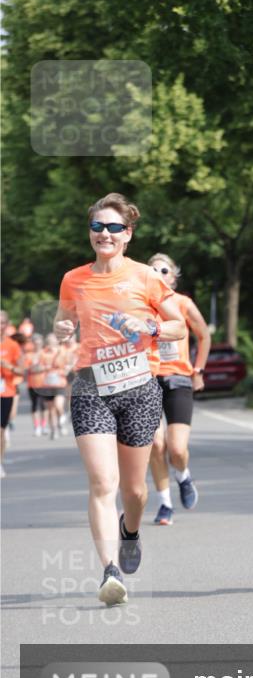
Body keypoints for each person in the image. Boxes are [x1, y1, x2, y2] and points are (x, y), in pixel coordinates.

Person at [54, 193, 186, 606]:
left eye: (113, 228)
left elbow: (178, 327)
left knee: (134, 490)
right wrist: (62, 329)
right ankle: (109, 570)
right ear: (90, 231)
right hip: (91, 387)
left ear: (127, 234)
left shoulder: (146, 276)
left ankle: (130, 530)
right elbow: (66, 318)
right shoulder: (74, 278)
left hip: (139, 389)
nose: (104, 234)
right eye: (98, 227)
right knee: (102, 483)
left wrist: (147, 325)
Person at [147, 253, 211, 525]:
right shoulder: (139, 304)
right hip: (147, 380)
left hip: (178, 380)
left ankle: (183, 477)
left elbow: (204, 334)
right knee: (155, 444)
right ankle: (165, 504)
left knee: (176, 448)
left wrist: (198, 369)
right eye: (152, 270)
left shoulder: (183, 303)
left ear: (173, 277)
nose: (158, 274)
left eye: (163, 270)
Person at [0, 311, 24, 477]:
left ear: (7, 325)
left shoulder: (12, 345)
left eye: (2, 322)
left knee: (0, 430)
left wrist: (8, 366)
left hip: (5, 391)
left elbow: (21, 369)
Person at [38, 333, 69, 439]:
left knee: (58, 404)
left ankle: (62, 417)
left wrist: (65, 370)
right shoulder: (43, 352)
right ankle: (54, 430)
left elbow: (69, 364)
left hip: (60, 382)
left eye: (52, 340)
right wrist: (43, 367)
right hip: (47, 384)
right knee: (51, 409)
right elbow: (38, 366)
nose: (50, 342)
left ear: (57, 341)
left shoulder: (63, 351)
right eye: (48, 340)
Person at [24, 333, 47, 436]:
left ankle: (44, 425)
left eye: (39, 342)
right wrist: (36, 368)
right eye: (35, 342)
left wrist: (37, 368)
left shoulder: (45, 353)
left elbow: (49, 367)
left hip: (45, 383)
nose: (37, 344)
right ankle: (36, 427)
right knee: (34, 405)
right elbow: (27, 369)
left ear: (42, 343)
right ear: (32, 343)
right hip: (32, 384)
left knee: (44, 405)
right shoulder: (28, 355)